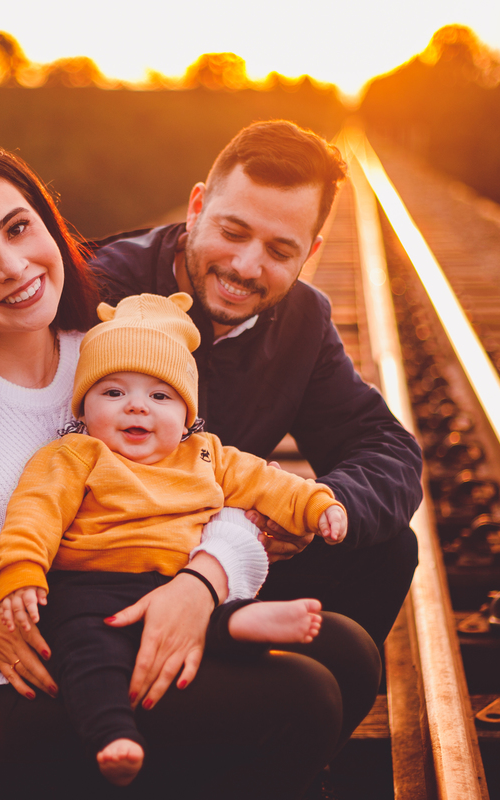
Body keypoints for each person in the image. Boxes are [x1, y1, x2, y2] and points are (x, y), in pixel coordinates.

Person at [0, 139, 381, 799]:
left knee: (347, 652)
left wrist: (203, 580)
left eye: (18, 228)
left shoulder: (106, 361)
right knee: (301, 699)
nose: (12, 266)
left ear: (48, 225)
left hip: (116, 638)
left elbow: (207, 478)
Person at [90, 120, 424, 648]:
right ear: (197, 206)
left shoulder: (303, 321)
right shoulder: (103, 288)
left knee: (388, 552)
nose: (246, 266)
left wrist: (318, 509)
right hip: (108, 564)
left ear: (310, 252)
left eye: (279, 250)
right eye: (233, 232)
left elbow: (384, 446)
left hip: (231, 561)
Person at [0, 291, 346, 786]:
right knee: (87, 653)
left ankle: (245, 621)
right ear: (84, 407)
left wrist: (317, 504)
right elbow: (35, 512)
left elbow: (268, 483)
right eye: (113, 392)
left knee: (206, 622)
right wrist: (21, 570)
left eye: (160, 396)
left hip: (176, 581)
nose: (137, 406)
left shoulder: (205, 454)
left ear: (186, 414)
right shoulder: (75, 456)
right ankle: (114, 735)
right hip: (92, 589)